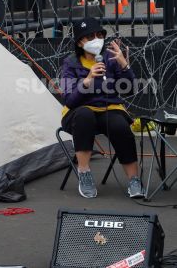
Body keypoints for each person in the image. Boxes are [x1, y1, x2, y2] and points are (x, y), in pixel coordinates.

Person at [61, 18, 143, 199]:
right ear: (80, 42)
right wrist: (88, 80)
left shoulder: (111, 58)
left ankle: (134, 180)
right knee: (84, 115)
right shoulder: (71, 63)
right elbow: (69, 100)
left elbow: (130, 89)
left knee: (119, 125)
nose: (96, 39)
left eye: (99, 35)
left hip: (109, 109)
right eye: (90, 36)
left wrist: (123, 64)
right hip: (79, 112)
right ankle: (84, 173)